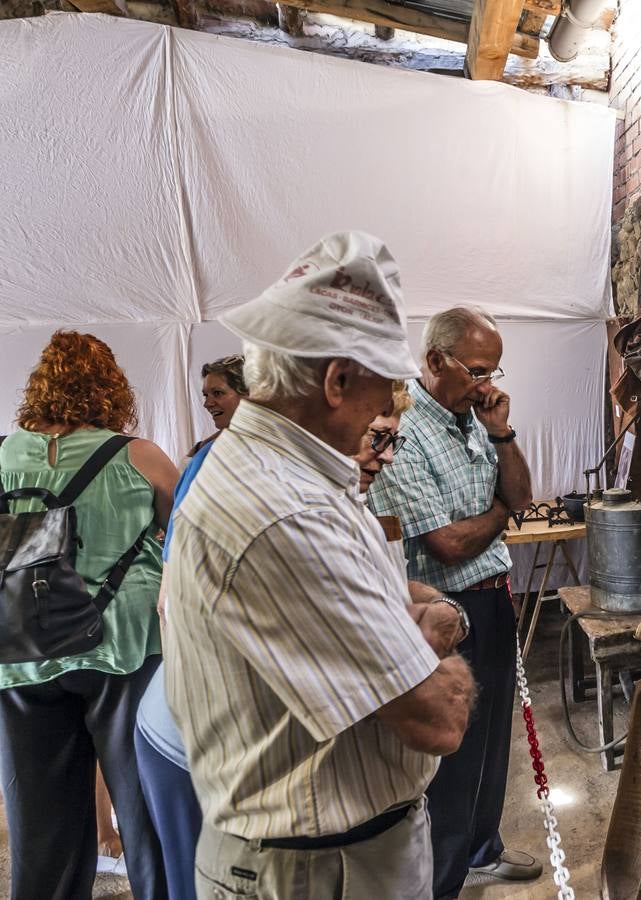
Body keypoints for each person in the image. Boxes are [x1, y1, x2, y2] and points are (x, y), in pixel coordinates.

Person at [163, 231, 476, 900]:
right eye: (381, 392)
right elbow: (438, 717)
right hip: (316, 874)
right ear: (337, 380)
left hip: (331, 860)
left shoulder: (288, 475)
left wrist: (406, 630)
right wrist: (434, 638)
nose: (383, 415)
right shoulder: (285, 510)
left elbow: (388, 606)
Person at [0, 330, 177, 900]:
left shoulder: (3, 452)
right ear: (110, 389)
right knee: (145, 809)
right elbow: (191, 537)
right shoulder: (138, 455)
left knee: (39, 819)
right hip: (121, 645)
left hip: (22, 645)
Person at [369, 306, 537, 898]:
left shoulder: (476, 418)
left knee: (494, 738)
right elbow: (445, 544)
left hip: (493, 599)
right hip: (444, 607)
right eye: (477, 371)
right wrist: (500, 512)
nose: (489, 385)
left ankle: (482, 848)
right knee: (453, 753)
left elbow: (522, 493)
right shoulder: (402, 431)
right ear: (435, 360)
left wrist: (501, 436)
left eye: (494, 371)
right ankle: (441, 881)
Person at [133, 353, 248, 900]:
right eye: (206, 393)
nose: (208, 401)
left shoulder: (223, 455)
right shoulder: (210, 458)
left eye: (218, 392)